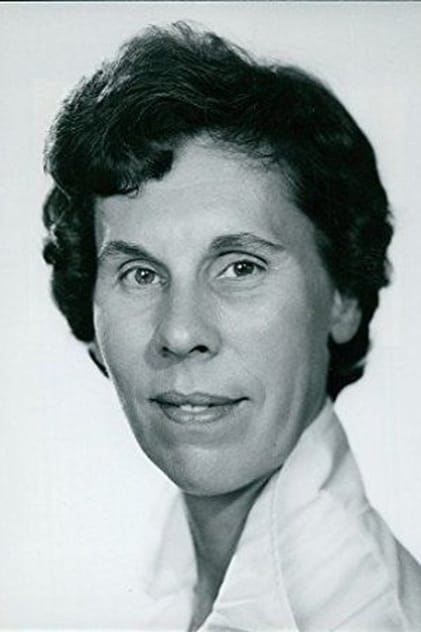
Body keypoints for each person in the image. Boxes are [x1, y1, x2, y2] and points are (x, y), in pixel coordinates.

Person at [42, 22, 421, 631]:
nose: (180, 332)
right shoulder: (167, 585)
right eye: (141, 274)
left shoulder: (365, 617)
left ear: (343, 296)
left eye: (240, 267)